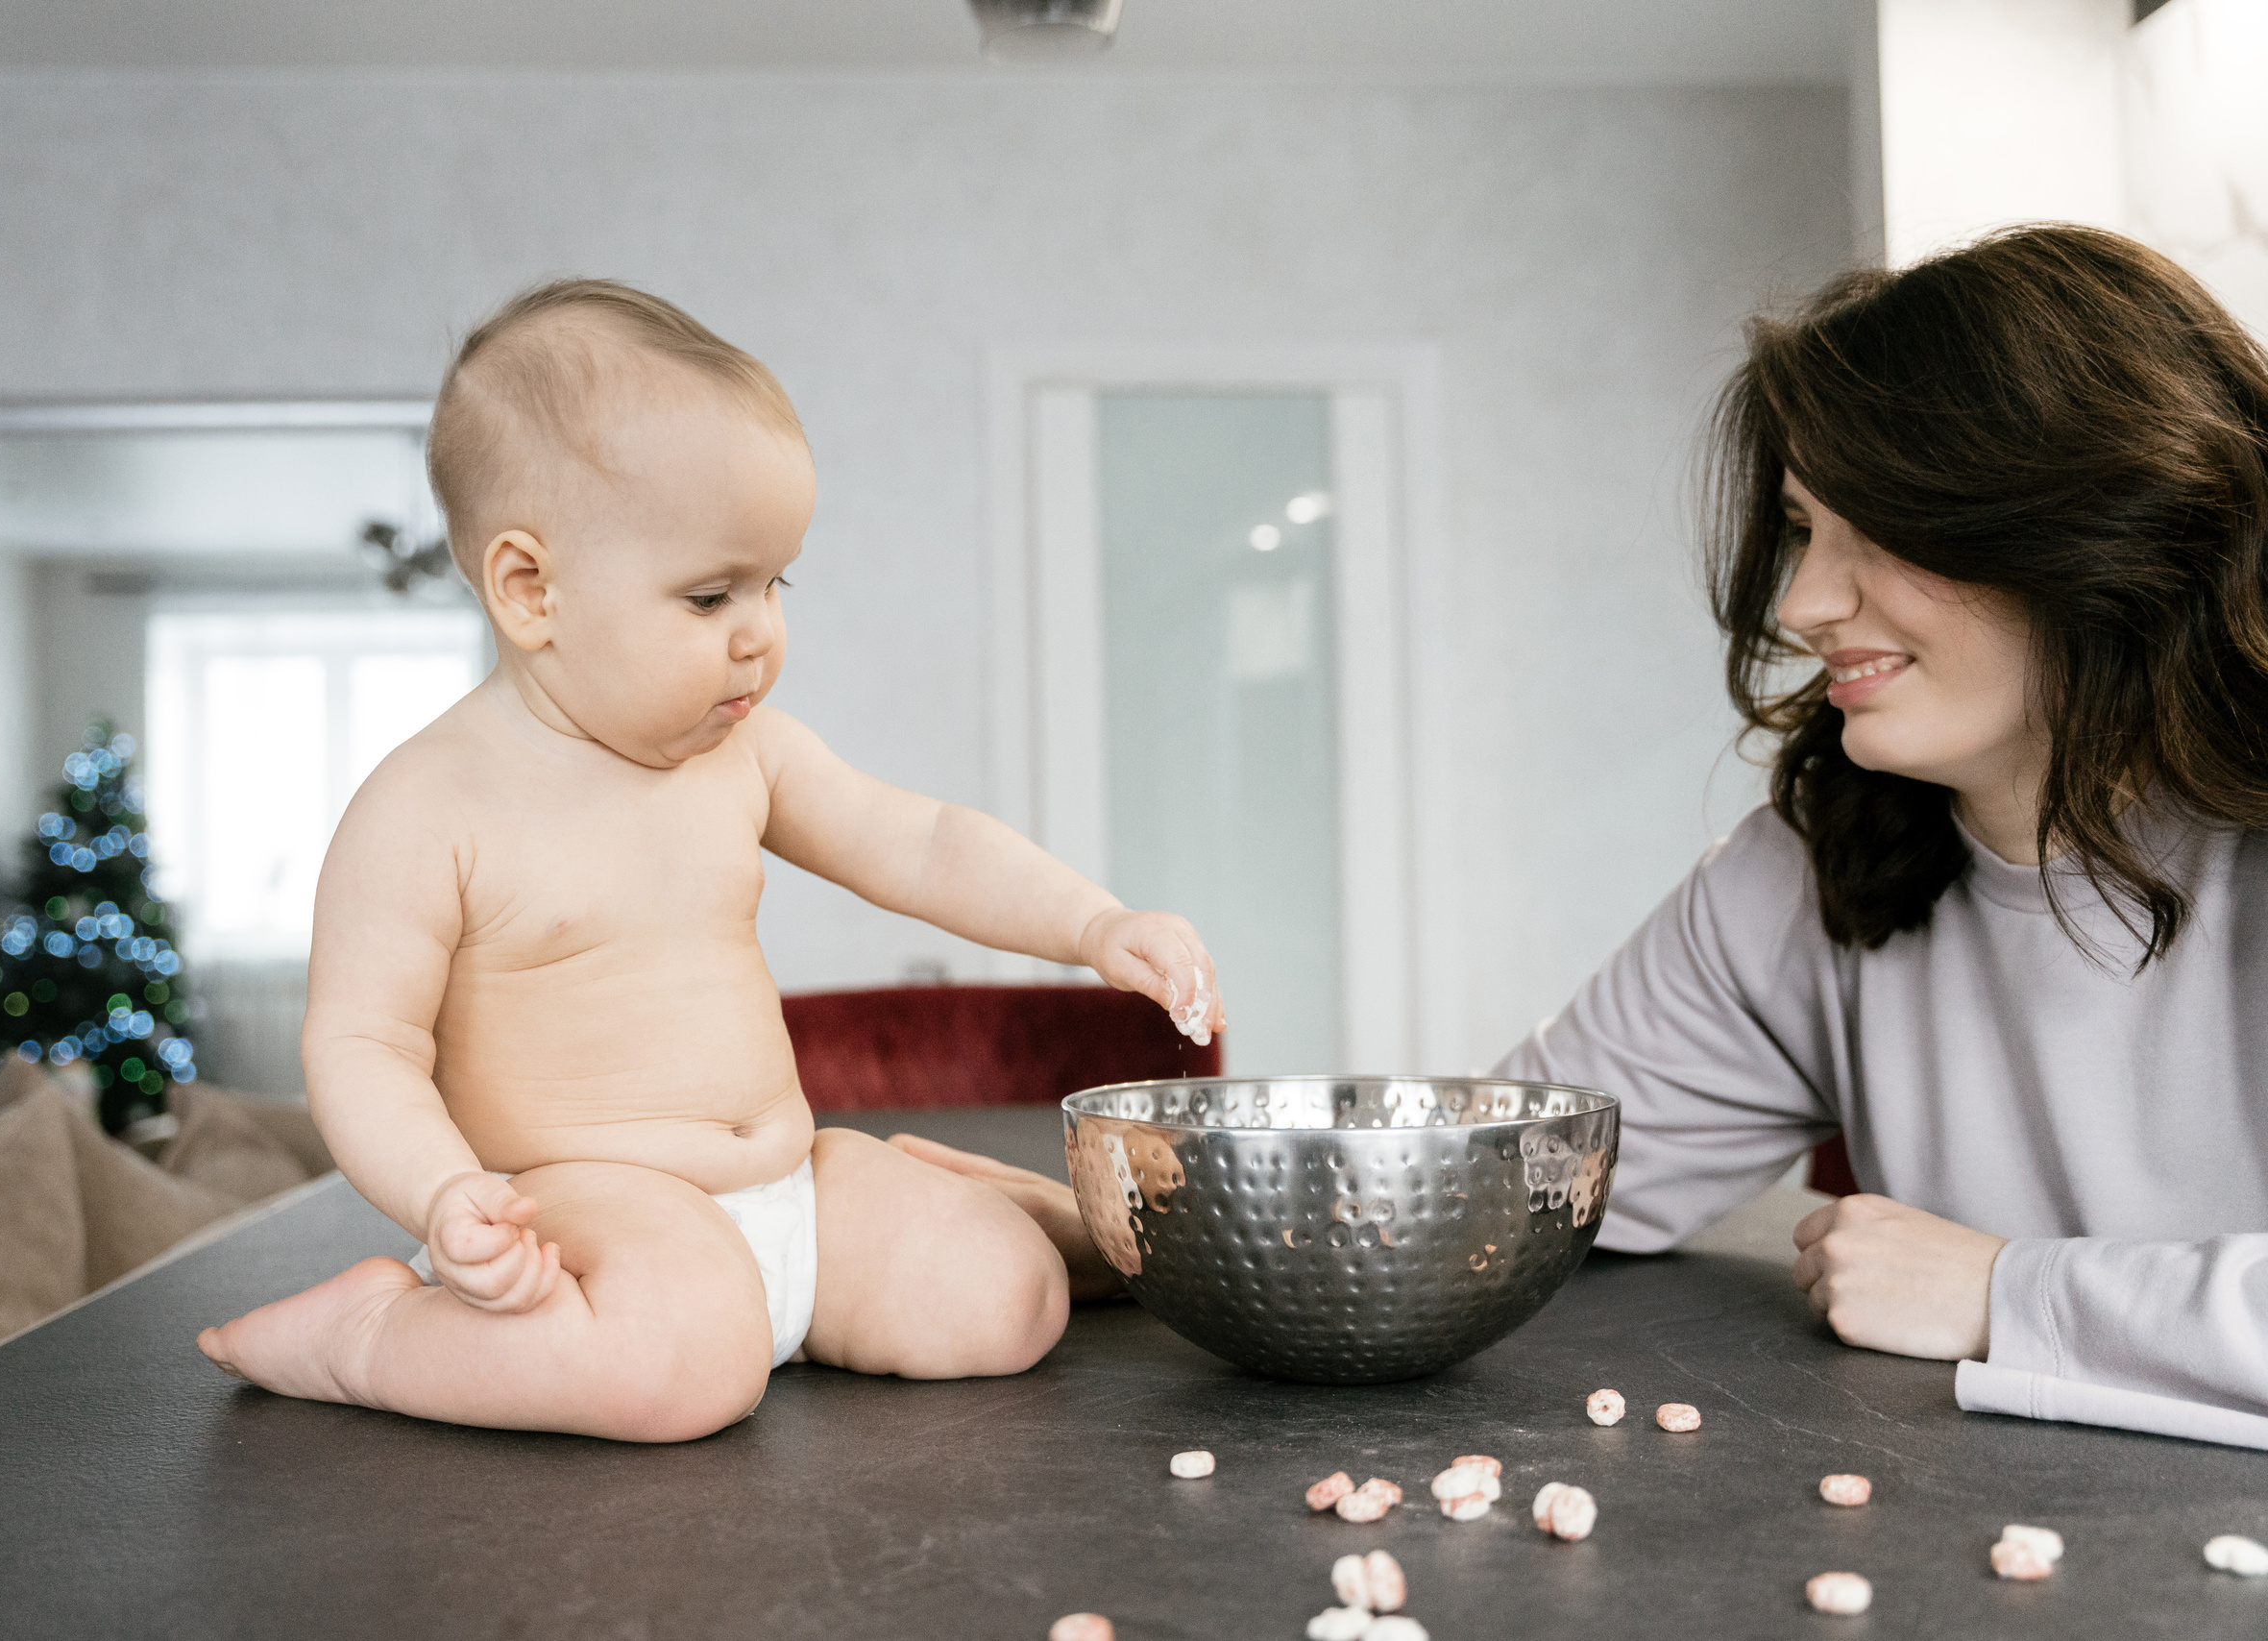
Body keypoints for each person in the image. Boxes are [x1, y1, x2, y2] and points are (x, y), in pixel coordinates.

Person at [909, 226, 2268, 1444]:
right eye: (1803, 529)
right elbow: (1500, 1188)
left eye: (1881, 531)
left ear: (2095, 528)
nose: (1803, 599)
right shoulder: (1813, 870)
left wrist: (2004, 1293)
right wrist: (1134, 1236)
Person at [196, 280, 1225, 1442]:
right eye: (709, 594)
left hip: (796, 1184)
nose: (761, 632)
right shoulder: (427, 807)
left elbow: (921, 840)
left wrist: (1091, 924)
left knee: (1009, 1301)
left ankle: (1006, 1214)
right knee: (678, 1370)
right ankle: (374, 1338)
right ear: (531, 589)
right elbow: (363, 1042)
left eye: (775, 582)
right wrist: (446, 1197)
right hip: (598, 1222)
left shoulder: (745, 755)